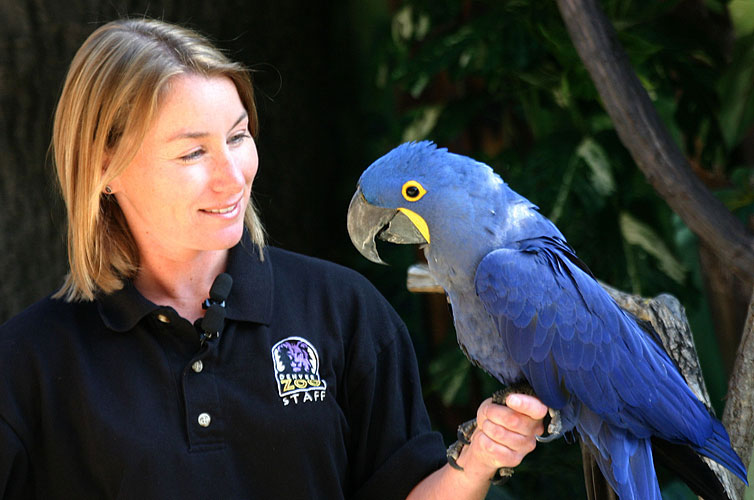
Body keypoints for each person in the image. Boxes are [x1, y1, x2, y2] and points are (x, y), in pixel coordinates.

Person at [0, 18, 547, 499]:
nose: (233, 175)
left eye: (238, 137)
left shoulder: (345, 311)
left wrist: (476, 463)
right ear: (105, 166)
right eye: (193, 152)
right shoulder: (30, 362)